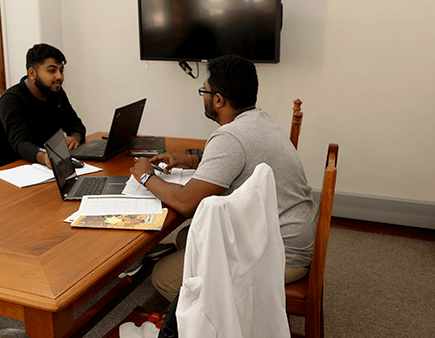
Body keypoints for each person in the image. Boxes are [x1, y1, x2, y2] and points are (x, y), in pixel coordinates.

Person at [130, 54, 318, 302]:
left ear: (218, 100)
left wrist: (145, 176)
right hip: (291, 237)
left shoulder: (230, 137)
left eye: (204, 91)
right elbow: (239, 162)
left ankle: (222, 317)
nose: (204, 97)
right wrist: (188, 161)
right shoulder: (260, 119)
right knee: (187, 237)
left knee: (163, 276)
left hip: (278, 256)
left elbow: (186, 204)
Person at [0, 43, 86, 169]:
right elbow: (21, 144)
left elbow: (76, 125)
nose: (59, 76)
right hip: (17, 170)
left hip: (50, 166)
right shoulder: (11, 100)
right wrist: (46, 158)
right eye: (52, 70)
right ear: (32, 74)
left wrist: (74, 138)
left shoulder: (56, 93)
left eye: (61, 71)